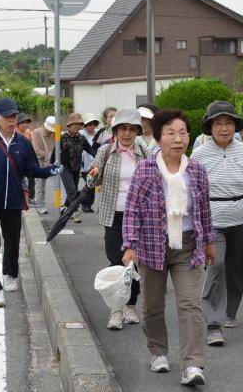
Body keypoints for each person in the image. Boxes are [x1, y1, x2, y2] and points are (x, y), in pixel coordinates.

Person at [122, 109, 216, 387]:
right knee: (152, 305)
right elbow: (132, 210)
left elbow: (204, 209)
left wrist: (209, 241)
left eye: (183, 132)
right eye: (171, 133)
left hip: (188, 246)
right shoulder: (146, 169)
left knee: (190, 304)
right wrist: (129, 245)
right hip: (152, 245)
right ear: (159, 137)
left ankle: (192, 364)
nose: (178, 139)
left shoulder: (197, 170)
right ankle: (158, 351)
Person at [0, 98, 61, 308]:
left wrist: (50, 170)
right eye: (6, 116)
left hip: (13, 201)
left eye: (14, 116)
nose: (11, 120)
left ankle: (10, 274)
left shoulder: (23, 143)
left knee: (12, 241)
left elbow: (31, 170)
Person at [191, 101, 243, 347]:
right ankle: (213, 323)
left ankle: (230, 310)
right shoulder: (200, 154)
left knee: (236, 267)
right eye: (218, 123)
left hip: (241, 219)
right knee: (216, 264)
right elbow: (191, 188)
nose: (224, 128)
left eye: (229, 123)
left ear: (235, 126)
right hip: (212, 220)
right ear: (210, 127)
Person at [87, 109, 151, 330]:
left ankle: (130, 305)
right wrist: (92, 175)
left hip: (138, 217)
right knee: (117, 261)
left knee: (134, 262)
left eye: (132, 129)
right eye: (123, 128)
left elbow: (153, 182)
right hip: (112, 214)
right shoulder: (105, 151)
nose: (127, 133)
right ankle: (116, 310)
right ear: (115, 131)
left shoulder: (144, 152)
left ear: (137, 132)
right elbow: (90, 183)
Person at [52, 112, 93, 223]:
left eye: (79, 124)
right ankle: (75, 212)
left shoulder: (82, 138)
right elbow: (54, 152)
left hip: (76, 168)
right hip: (64, 168)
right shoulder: (62, 137)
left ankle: (66, 207)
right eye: (74, 124)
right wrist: (51, 165)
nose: (77, 126)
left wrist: (99, 158)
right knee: (72, 191)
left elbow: (91, 150)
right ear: (69, 126)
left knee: (73, 190)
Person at [31, 116, 55, 214]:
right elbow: (36, 150)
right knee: (40, 186)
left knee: (57, 185)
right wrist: (47, 154)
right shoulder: (36, 132)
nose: (51, 132)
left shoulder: (54, 134)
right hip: (39, 163)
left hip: (51, 163)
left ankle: (61, 205)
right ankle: (40, 205)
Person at [80, 113, 100, 213]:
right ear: (85, 125)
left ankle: (88, 205)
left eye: (93, 124)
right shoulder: (81, 134)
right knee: (89, 185)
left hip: (96, 164)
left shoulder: (98, 134)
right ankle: (84, 203)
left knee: (92, 186)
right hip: (85, 165)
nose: (91, 126)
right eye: (89, 124)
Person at [16, 113, 35, 204]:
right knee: (19, 179)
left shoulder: (28, 132)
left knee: (31, 177)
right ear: (18, 123)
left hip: (27, 159)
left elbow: (31, 145)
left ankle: (31, 197)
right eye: (23, 122)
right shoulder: (14, 132)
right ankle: (20, 197)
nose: (25, 124)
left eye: (27, 122)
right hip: (17, 159)